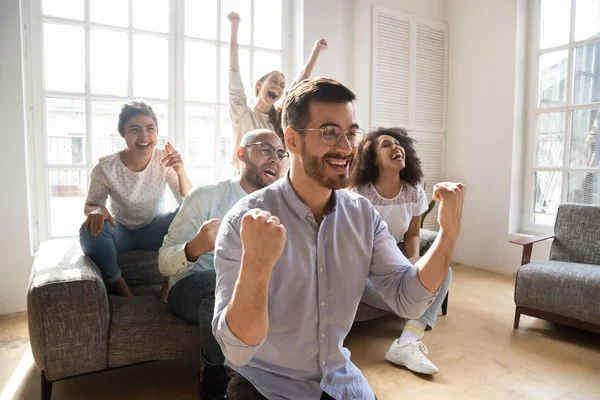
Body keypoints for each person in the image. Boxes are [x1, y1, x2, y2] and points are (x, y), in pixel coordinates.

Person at [213, 77, 465, 399]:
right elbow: (237, 350)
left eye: (351, 133)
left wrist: (448, 236)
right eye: (329, 133)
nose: (346, 148)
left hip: (339, 378)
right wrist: (257, 267)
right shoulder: (244, 221)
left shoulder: (362, 215)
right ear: (292, 140)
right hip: (266, 384)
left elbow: (409, 299)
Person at [159, 129, 287, 400]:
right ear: (241, 154)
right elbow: (163, 262)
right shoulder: (205, 196)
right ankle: (213, 369)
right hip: (190, 289)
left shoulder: (281, 208)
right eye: (266, 149)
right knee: (219, 281)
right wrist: (194, 246)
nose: (275, 159)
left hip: (248, 293)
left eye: (280, 153)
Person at [351, 127, 452, 375]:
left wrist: (414, 258)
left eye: (398, 143)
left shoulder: (414, 189)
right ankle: (411, 318)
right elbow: (355, 245)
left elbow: (413, 234)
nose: (396, 147)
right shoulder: (360, 194)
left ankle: (407, 342)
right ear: (373, 158)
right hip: (364, 263)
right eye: (386, 144)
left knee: (444, 271)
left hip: (397, 255)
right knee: (410, 295)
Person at [79, 101, 191, 301]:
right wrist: (97, 210)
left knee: (191, 215)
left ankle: (167, 289)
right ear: (122, 132)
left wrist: (181, 172)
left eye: (150, 129)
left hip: (155, 228)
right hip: (121, 231)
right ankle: (121, 287)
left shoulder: (163, 160)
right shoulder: (106, 167)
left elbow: (188, 201)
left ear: (157, 133)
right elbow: (91, 204)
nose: (144, 136)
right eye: (135, 129)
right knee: (89, 229)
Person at [227, 11, 327, 169]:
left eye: (281, 85)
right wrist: (234, 28)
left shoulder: (280, 117)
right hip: (246, 182)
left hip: (274, 182)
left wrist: (316, 50)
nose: (278, 86)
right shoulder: (242, 114)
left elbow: (299, 84)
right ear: (259, 85)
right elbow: (234, 74)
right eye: (273, 81)